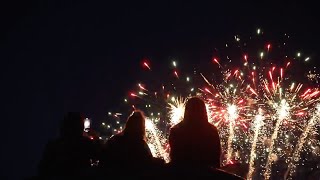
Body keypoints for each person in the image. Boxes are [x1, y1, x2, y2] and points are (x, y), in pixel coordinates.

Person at [167, 97, 244, 179]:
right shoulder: (211, 130)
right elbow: (215, 160)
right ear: (204, 111)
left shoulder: (176, 130)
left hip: (181, 175)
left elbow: (174, 159)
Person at [100, 110, 164, 177]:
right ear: (141, 127)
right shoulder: (140, 145)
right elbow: (148, 162)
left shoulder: (114, 139)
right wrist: (161, 161)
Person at [38, 112, 99, 178]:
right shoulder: (85, 143)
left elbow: (43, 169)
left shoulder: (53, 145)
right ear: (80, 127)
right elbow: (101, 155)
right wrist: (95, 137)